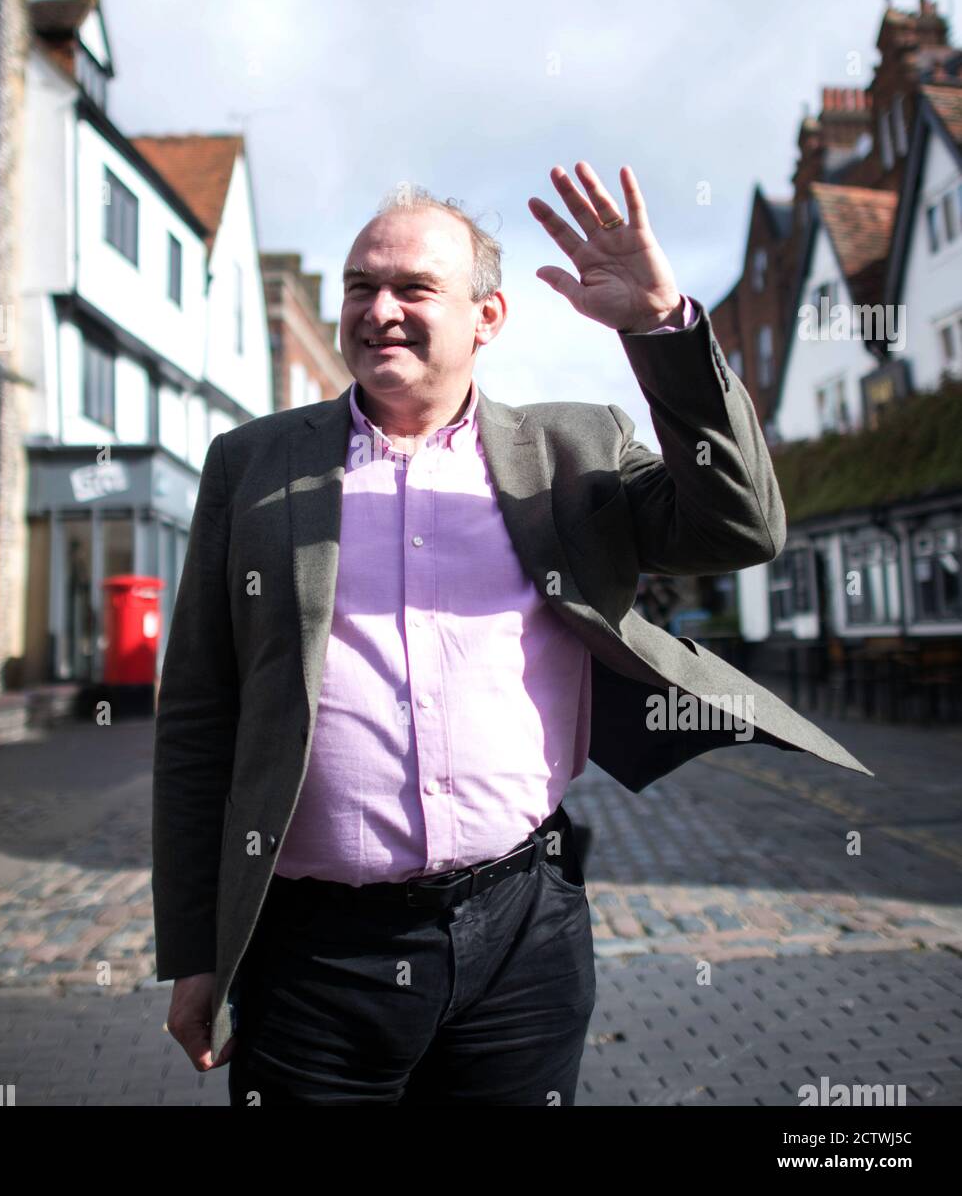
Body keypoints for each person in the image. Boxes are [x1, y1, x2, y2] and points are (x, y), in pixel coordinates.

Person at [152, 162, 870, 1106]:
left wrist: (664, 329)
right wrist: (197, 952)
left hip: (521, 936)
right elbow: (201, 709)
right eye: (360, 287)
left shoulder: (574, 451)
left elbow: (741, 524)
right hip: (311, 952)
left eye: (414, 288)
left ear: (487, 318)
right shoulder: (250, 466)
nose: (380, 311)